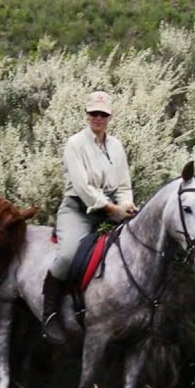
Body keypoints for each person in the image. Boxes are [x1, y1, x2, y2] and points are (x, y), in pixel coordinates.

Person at [43, 90, 137, 343]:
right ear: (87, 114)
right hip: (79, 209)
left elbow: (124, 184)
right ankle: (50, 313)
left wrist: (126, 205)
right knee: (67, 255)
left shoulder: (116, 146)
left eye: (103, 114)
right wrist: (111, 209)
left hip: (111, 209)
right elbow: (83, 188)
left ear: (109, 117)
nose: (98, 118)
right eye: (94, 113)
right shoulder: (75, 144)